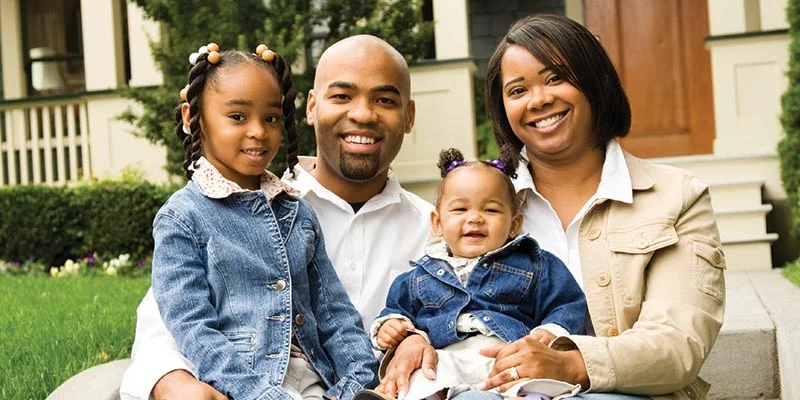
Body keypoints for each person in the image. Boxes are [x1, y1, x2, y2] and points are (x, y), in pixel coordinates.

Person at [379, 14, 726, 400]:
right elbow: (428, 299)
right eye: (517, 90)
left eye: (556, 78)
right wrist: (408, 341)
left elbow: (678, 346)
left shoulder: (675, 196)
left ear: (594, 82)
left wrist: (570, 365)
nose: (539, 99)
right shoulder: (477, 204)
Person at [118, 35, 435, 400]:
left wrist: (404, 351)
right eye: (342, 96)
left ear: (409, 116)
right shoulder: (193, 216)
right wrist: (170, 379)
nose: (362, 114)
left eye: (384, 99)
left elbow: (341, 318)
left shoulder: (442, 230)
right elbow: (170, 325)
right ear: (311, 108)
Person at [357, 148, 587, 400]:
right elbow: (397, 311)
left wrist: (552, 331)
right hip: (446, 356)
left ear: (514, 225)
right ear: (437, 223)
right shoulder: (420, 275)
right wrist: (393, 327)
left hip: (508, 355)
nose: (475, 218)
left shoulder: (534, 263)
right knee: (423, 374)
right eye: (460, 210)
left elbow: (567, 302)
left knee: (533, 380)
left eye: (491, 210)